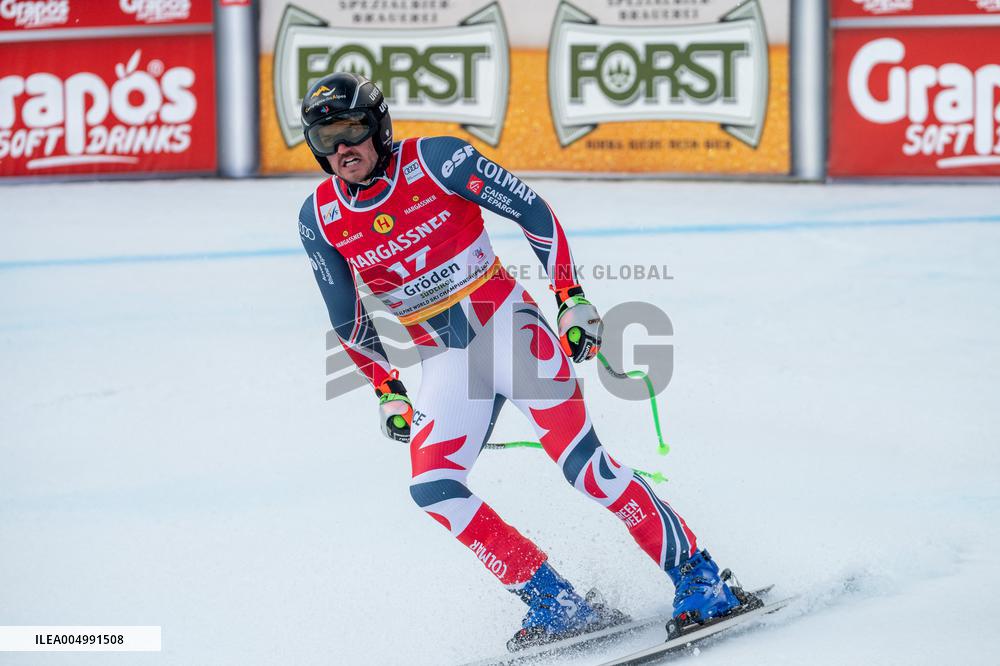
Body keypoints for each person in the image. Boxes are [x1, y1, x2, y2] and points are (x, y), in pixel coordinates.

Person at [296, 72, 744, 650]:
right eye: (326, 137)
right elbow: (347, 316)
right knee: (433, 488)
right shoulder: (319, 216)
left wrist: (571, 298)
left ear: (378, 125)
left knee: (586, 468)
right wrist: (387, 389)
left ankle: (702, 578)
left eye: (353, 129)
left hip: (511, 332)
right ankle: (555, 603)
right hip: (446, 361)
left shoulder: (438, 160)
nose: (342, 149)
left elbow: (534, 213)